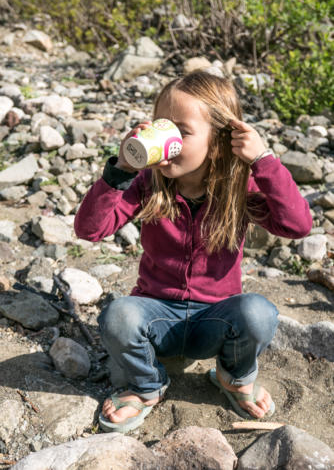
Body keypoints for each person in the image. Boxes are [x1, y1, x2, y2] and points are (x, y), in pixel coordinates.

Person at [74, 70, 312, 433]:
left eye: (181, 132)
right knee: (119, 315)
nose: (167, 138)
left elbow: (298, 226)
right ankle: (146, 385)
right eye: (161, 126)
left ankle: (234, 375)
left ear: (218, 142)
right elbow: (89, 230)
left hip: (215, 318)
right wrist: (120, 170)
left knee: (259, 312)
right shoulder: (148, 184)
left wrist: (263, 160)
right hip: (157, 316)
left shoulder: (239, 188)